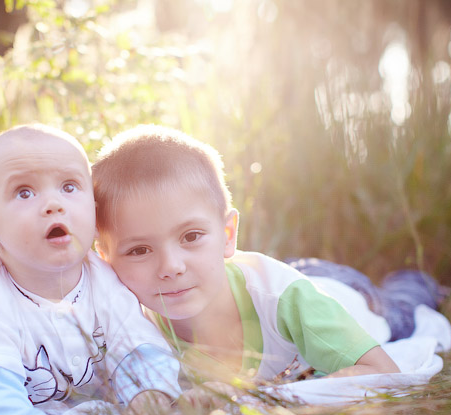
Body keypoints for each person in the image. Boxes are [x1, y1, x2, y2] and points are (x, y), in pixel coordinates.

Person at [90, 125, 401, 390]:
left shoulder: (287, 301)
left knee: (404, 303)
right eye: (139, 250)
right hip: (249, 273)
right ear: (105, 259)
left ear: (227, 235)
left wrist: (254, 396)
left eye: (191, 236)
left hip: (339, 289)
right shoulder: (133, 332)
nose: (171, 267)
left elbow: (384, 372)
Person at [0, 124, 181, 415]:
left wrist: (147, 395)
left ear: (95, 208)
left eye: (69, 186)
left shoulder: (105, 281)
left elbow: (137, 345)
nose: (53, 203)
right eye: (24, 192)